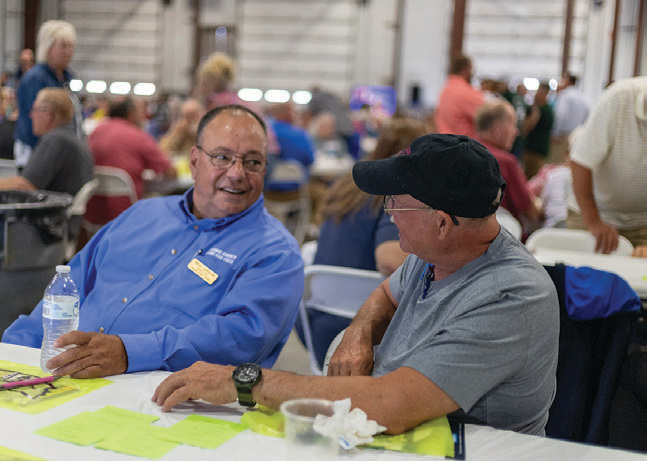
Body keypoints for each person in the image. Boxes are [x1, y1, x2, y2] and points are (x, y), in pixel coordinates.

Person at [152, 133, 559, 437]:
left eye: (396, 203)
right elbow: (386, 293)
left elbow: (393, 404)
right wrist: (359, 332)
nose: (389, 213)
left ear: (441, 222)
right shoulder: (435, 253)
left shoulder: (512, 295)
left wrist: (243, 381)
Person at [2, 104, 304, 379]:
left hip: (164, 399)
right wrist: (14, 348)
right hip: (65, 376)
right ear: (195, 161)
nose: (237, 173)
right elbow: (68, 289)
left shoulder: (275, 253)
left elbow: (238, 339)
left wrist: (127, 353)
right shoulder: (143, 215)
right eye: (222, 157)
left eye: (252, 162)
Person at [299, 118, 426, 368]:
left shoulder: (346, 184)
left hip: (318, 327)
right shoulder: (396, 195)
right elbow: (389, 261)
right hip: (361, 337)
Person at [567, 76, 647, 253]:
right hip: (593, 213)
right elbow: (580, 162)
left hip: (643, 223)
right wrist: (594, 221)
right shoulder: (619, 98)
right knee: (587, 277)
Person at [84, 96, 177, 227]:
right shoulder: (137, 136)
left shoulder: (95, 132)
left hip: (92, 215)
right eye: (140, 111)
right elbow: (171, 172)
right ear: (131, 114)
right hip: (127, 215)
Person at [0, 88, 92, 198]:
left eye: (34, 109)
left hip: (53, 212)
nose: (31, 115)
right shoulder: (68, 138)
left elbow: (24, 185)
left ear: (47, 114)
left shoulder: (55, 140)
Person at [14, 21, 76, 168]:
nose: (69, 51)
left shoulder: (66, 78)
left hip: (57, 151)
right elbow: (35, 122)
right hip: (38, 151)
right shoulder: (35, 78)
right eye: (63, 46)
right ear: (48, 48)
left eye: (71, 46)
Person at [474, 100, 541, 230]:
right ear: (497, 128)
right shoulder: (506, 162)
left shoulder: (460, 154)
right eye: (513, 125)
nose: (516, 132)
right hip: (503, 237)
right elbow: (529, 211)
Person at [265, 101, 315, 194]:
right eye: (293, 111)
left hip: (266, 190)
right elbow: (310, 159)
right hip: (296, 191)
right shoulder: (300, 134)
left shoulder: (265, 132)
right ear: (288, 113)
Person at [434, 53, 484, 138]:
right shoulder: (468, 92)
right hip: (464, 146)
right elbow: (487, 120)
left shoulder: (445, 90)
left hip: (443, 142)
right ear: (465, 70)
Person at [550, 72, 589, 164]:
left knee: (557, 163)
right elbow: (587, 115)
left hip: (563, 137)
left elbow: (560, 115)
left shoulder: (565, 95)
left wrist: (555, 133)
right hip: (576, 137)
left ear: (568, 81)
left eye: (563, 80)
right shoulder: (583, 97)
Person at [522, 82, 554, 179]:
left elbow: (526, 128)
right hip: (533, 148)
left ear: (544, 93)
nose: (536, 94)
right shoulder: (543, 109)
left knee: (533, 177)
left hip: (536, 149)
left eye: (538, 92)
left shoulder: (543, 110)